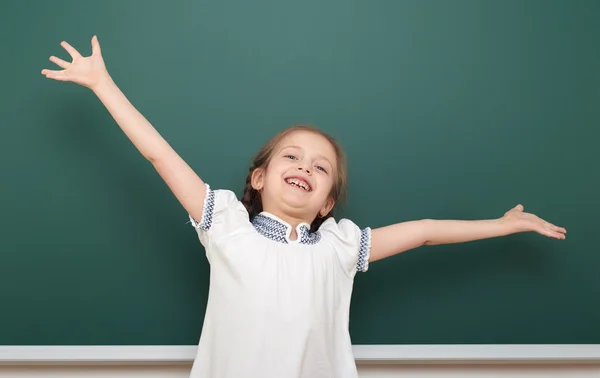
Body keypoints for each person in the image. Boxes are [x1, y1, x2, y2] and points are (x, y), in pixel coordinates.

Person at [41, 36, 567, 378]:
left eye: (320, 168)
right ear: (259, 177)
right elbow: (158, 155)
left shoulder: (340, 246)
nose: (305, 168)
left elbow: (425, 230)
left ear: (328, 202)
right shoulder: (225, 224)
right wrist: (102, 84)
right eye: (292, 157)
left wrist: (503, 225)